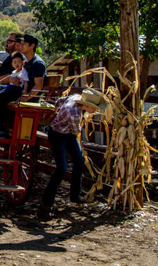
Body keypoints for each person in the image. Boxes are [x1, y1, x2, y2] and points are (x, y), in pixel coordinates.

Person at [38, 88, 108, 219]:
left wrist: (55, 111)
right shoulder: (74, 114)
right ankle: (45, 204)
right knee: (61, 169)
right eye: (94, 108)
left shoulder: (75, 97)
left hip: (68, 133)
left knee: (80, 161)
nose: (96, 111)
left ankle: (75, 195)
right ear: (87, 105)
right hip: (58, 134)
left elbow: (59, 101)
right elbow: (76, 131)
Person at [16, 33, 46, 102]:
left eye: (24, 43)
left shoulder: (38, 64)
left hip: (30, 99)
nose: (21, 46)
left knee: (0, 97)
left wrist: (25, 98)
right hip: (21, 92)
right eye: (20, 43)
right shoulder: (26, 62)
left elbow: (38, 86)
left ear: (32, 45)